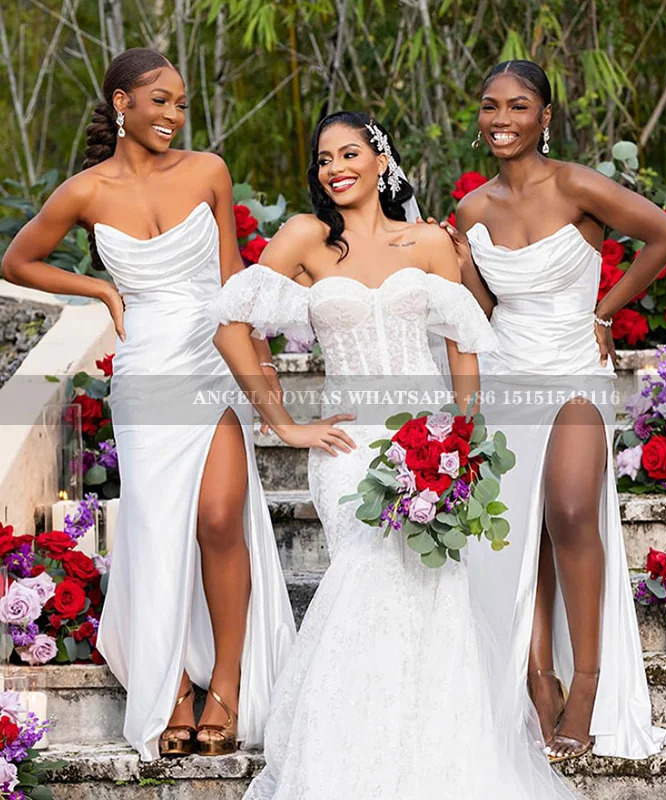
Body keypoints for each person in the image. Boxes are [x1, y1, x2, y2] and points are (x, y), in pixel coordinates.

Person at [209, 110, 582, 799]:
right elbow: (232, 324)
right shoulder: (305, 238)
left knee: (435, 599)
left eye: (350, 153)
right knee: (369, 582)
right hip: (350, 451)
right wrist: (285, 425)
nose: (336, 168)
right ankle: (342, 770)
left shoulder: (430, 243)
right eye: (324, 159)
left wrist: (461, 439)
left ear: (382, 162)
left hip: (430, 446)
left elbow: (462, 344)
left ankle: (438, 769)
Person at [0, 47, 296, 761]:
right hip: (145, 372)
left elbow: (233, 279)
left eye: (181, 103)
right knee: (159, 534)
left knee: (221, 518)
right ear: (121, 103)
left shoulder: (208, 171)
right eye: (159, 100)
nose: (172, 114)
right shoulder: (84, 191)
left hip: (209, 355)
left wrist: (257, 363)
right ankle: (171, 695)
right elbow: (17, 260)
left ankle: (224, 683)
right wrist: (101, 289)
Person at [433, 60, 666, 762]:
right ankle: (537, 681)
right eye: (489, 106)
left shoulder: (576, 185)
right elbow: (483, 312)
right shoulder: (474, 209)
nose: (501, 119)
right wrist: (458, 265)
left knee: (572, 510)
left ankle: (588, 685)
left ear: (546, 116)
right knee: (518, 536)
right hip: (508, 373)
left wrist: (606, 310)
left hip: (574, 364)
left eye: (518, 106)